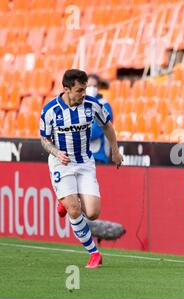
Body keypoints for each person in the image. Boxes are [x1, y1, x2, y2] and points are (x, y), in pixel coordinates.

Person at [40, 69, 123, 268]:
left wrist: (115, 151)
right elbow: (44, 139)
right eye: (79, 90)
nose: (83, 94)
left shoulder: (92, 105)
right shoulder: (50, 110)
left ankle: (65, 202)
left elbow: (107, 126)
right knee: (75, 210)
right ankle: (94, 253)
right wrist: (55, 152)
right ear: (66, 89)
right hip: (62, 163)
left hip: (85, 163)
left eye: (85, 89)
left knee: (93, 213)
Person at [86, 74, 114, 164]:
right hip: (84, 156)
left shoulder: (104, 105)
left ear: (98, 87)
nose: (91, 88)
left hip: (98, 155)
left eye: (94, 86)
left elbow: (95, 131)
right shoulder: (80, 105)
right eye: (89, 86)